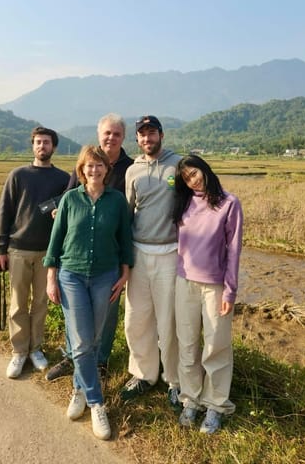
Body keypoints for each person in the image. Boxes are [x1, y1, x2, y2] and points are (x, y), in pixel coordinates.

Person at [44, 145, 133, 440]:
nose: (94, 170)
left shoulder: (117, 201)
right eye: (88, 166)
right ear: (81, 170)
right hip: (71, 276)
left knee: (93, 340)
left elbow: (125, 240)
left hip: (105, 277)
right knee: (82, 343)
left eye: (100, 166)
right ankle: (97, 403)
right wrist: (51, 278)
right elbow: (56, 241)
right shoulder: (70, 199)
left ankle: (79, 389)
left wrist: (126, 272)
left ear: (107, 169)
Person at [172, 155, 243, 434]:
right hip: (185, 282)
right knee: (187, 344)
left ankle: (215, 405)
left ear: (205, 169)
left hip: (215, 286)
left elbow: (234, 251)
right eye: (187, 177)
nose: (194, 179)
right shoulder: (184, 203)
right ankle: (190, 399)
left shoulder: (229, 203)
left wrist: (230, 290)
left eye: (195, 172)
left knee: (217, 345)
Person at [0, 126, 70, 379]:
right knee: (18, 303)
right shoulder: (18, 175)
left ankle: (36, 348)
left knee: (40, 303)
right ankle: (18, 351)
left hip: (48, 252)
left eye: (46, 142)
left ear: (53, 147)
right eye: (38, 142)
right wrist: (0, 248)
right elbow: (5, 212)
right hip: (18, 250)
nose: (42, 146)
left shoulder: (63, 179)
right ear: (33, 146)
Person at [121, 115, 182, 405]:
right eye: (142, 134)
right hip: (139, 254)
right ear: (137, 139)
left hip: (170, 253)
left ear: (161, 135)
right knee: (136, 318)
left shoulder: (178, 165)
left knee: (169, 319)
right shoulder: (133, 171)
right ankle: (144, 374)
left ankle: (175, 380)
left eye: (152, 133)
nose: (147, 139)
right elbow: (128, 212)